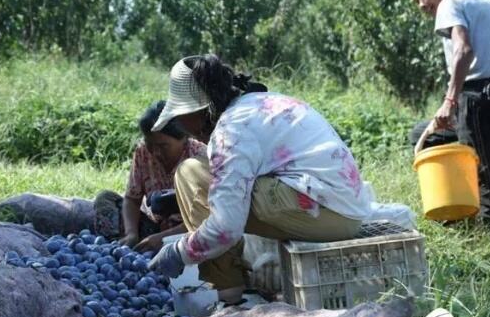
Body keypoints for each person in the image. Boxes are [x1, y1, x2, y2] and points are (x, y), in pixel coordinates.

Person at [148, 54, 373, 302]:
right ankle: (229, 278)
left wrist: (179, 252)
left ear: (200, 110)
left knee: (189, 172)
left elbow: (226, 226)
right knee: (205, 173)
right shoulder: (256, 104)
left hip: (326, 213)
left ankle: (225, 287)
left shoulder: (230, 131)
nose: (181, 126)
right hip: (343, 207)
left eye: (180, 118)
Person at [410, 0, 490, 227]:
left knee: (484, 172)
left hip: (477, 97)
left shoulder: (449, 3)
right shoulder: (487, 4)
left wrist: (451, 101)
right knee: (423, 135)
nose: (421, 4)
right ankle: (453, 214)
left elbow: (463, 50)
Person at [95, 100, 207, 252]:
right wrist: (131, 233)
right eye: (150, 144)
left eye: (163, 146)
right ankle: (120, 248)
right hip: (153, 229)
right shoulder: (143, 153)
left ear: (183, 139)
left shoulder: (200, 158)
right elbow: (132, 199)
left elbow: (205, 218)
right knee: (105, 199)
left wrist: (163, 238)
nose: (155, 152)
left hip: (187, 233)